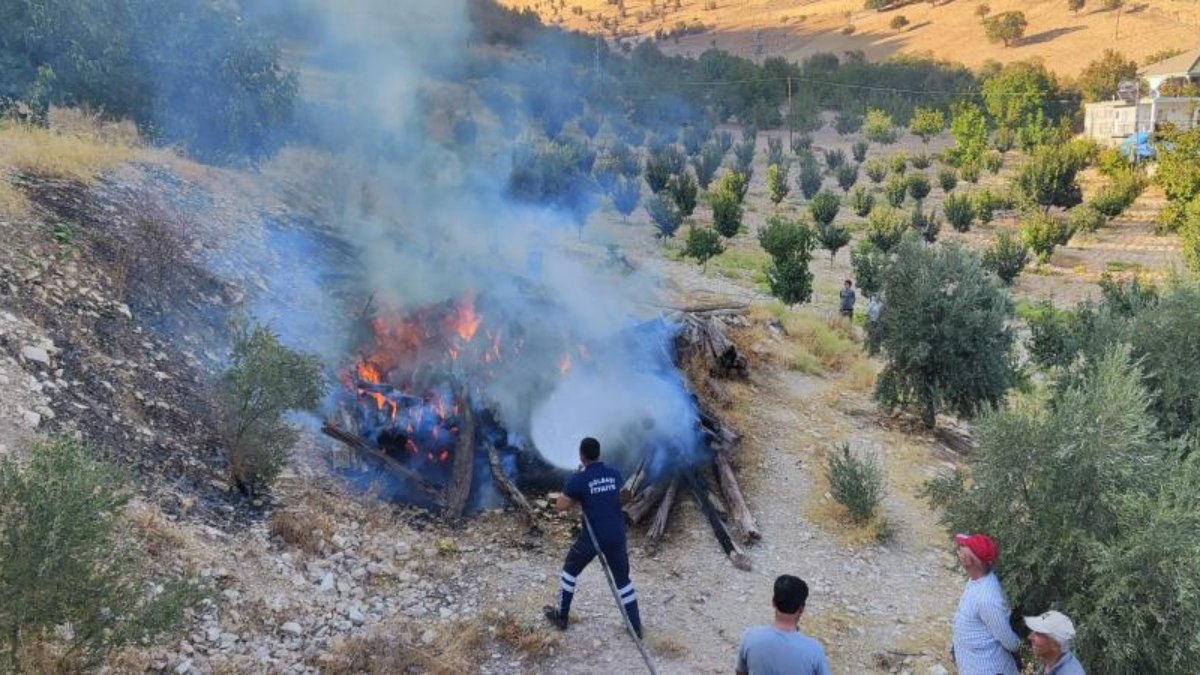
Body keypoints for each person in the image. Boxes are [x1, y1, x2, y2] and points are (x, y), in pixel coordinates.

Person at [543, 437, 643, 638]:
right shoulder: (613, 474)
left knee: (570, 571)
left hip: (593, 537)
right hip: (616, 533)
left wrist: (574, 488)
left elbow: (561, 506)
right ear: (599, 454)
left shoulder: (578, 478)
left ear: (581, 455)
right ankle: (636, 628)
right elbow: (623, 497)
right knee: (623, 580)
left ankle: (561, 616)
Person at [951, 533, 1022, 675]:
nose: (959, 553)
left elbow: (1010, 643)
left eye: (961, 550)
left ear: (968, 560)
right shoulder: (976, 581)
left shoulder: (987, 598)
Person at [735, 575, 831, 675]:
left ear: (773, 602)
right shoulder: (814, 650)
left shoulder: (750, 637)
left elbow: (740, 672)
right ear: (802, 608)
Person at [1024, 611, 1085, 675]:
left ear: (1055, 645)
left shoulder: (1070, 672)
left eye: (1038, 633)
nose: (1030, 637)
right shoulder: (1052, 662)